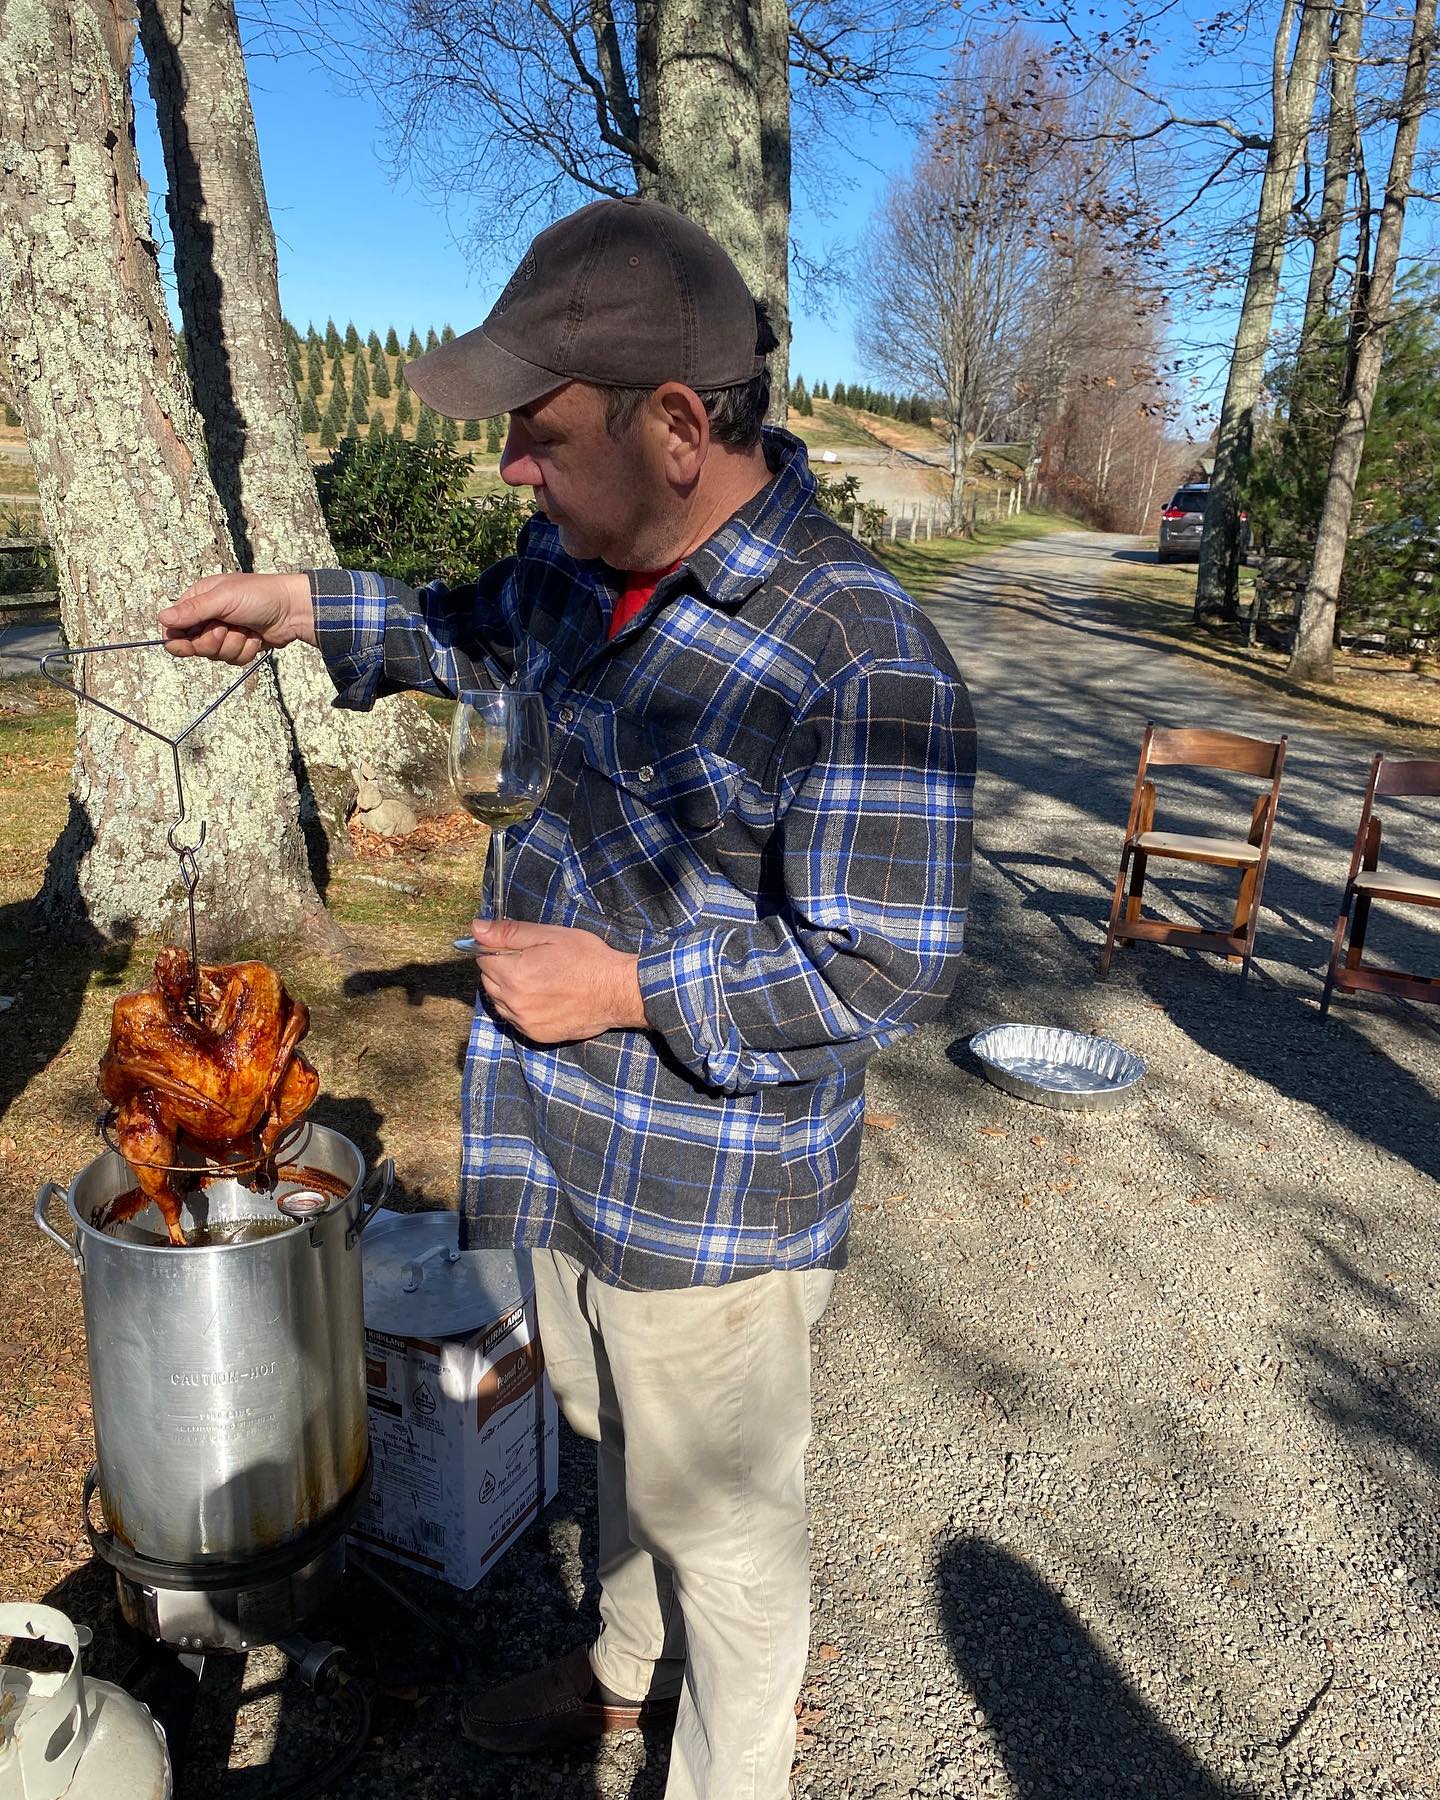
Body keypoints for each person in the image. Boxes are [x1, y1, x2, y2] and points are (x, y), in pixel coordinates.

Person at [160, 196, 975, 1800]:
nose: (511, 469)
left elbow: (884, 963)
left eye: (537, 432)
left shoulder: (861, 658)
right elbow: (472, 633)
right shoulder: (577, 557)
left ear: (675, 425)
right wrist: (303, 605)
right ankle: (621, 1670)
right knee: (616, 1451)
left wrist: (625, 983)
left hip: (709, 1195)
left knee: (724, 1533)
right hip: (556, 1138)